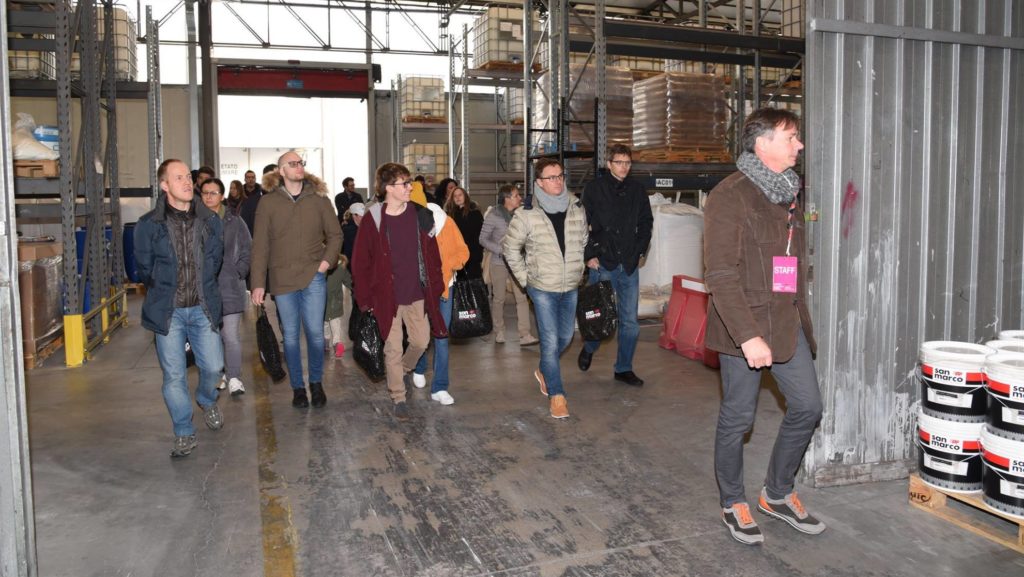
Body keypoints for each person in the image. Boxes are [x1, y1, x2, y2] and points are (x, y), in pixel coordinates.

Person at [704, 108, 825, 545]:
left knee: (808, 406)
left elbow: (786, 261)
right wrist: (748, 335)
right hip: (744, 326)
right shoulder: (730, 195)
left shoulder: (787, 191)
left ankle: (776, 493)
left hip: (786, 320)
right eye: (791, 137)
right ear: (763, 143)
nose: (799, 145)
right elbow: (720, 274)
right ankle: (732, 501)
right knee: (738, 418)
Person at [134, 159, 224, 458]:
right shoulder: (149, 224)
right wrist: (164, 288)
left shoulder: (210, 220)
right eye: (178, 177)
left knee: (213, 367)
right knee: (174, 376)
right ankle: (184, 431)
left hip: (202, 308)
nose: (187, 182)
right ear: (164, 185)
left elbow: (215, 260)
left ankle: (206, 398)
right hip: (168, 312)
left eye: (188, 176)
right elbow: (143, 268)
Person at [351, 163, 447, 421]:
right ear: (388, 188)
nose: (409, 188)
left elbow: (433, 256)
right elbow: (360, 262)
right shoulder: (373, 218)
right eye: (404, 184)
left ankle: (401, 370)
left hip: (417, 294)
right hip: (387, 297)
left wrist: (436, 286)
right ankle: (398, 396)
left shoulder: (421, 215)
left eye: (409, 183)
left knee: (421, 342)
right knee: (392, 348)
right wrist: (365, 299)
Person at [250, 152, 342, 409]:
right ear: (281, 171)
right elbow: (260, 246)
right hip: (282, 279)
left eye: (301, 162)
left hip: (314, 276)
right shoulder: (268, 203)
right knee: (290, 337)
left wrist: (326, 263)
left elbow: (335, 235)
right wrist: (257, 283)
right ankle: (298, 388)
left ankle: (316, 383)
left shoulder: (319, 199)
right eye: (293, 164)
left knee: (315, 334)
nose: (299, 166)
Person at [503, 159, 588, 419]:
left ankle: (543, 370)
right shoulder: (526, 213)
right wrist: (525, 280)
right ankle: (557, 395)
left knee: (566, 337)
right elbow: (510, 249)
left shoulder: (576, 207)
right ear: (539, 182)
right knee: (550, 342)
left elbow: (583, 240)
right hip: (541, 287)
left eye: (560, 176)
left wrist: (579, 269)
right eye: (551, 177)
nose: (557, 181)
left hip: (570, 285)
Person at [577, 144, 654, 387]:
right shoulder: (594, 189)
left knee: (630, 323)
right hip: (603, 262)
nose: (624, 167)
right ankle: (590, 347)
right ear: (609, 164)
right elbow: (582, 223)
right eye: (619, 162)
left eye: (627, 163)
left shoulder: (637, 190)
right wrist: (589, 255)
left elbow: (646, 222)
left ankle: (623, 368)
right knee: (599, 317)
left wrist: (639, 250)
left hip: (628, 264)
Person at [411, 202, 469, 405]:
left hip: (445, 288)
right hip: (420, 288)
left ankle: (440, 387)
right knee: (421, 334)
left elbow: (463, 252)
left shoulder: (447, 223)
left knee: (441, 337)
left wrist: (448, 267)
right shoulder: (413, 222)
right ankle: (419, 367)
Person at [200, 177, 252, 396]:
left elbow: (247, 249)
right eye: (205, 193)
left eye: (213, 193)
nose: (209, 197)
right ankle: (218, 373)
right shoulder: (195, 221)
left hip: (230, 286)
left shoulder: (235, 221)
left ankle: (235, 377)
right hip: (204, 289)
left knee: (230, 335)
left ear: (222, 196)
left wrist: (238, 271)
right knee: (211, 337)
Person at [479, 184, 537, 346]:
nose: (520, 198)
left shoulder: (522, 214)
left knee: (522, 298)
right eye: (516, 195)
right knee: (499, 298)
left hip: (518, 262)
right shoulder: (494, 215)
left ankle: (525, 334)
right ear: (507, 199)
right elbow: (482, 239)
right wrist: (500, 250)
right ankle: (499, 331)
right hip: (499, 262)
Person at [445, 187, 484, 279]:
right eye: (455, 196)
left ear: (465, 196)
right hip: (455, 255)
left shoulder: (475, 213)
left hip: (472, 255)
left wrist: (477, 254)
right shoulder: (449, 215)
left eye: (460, 195)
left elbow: (480, 235)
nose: (457, 198)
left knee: (473, 283)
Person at [324, 252, 352, 359]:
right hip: (333, 302)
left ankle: (329, 342)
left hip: (325, 302)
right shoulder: (341, 266)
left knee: (327, 324)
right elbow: (349, 281)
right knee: (333, 324)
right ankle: (335, 343)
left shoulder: (321, 265)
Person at [239, 164, 277, 238]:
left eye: (253, 177)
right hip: (244, 224)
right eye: (248, 177)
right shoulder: (240, 192)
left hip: (259, 224)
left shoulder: (263, 191)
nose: (251, 179)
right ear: (245, 179)